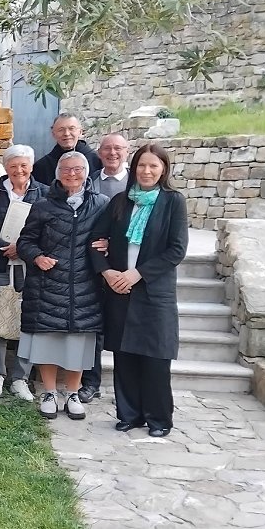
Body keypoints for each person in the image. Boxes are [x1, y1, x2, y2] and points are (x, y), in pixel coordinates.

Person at [90, 145, 188, 438]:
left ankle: (159, 419)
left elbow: (176, 250)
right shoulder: (120, 201)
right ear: (133, 169)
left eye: (153, 166)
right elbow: (95, 240)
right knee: (125, 355)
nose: (147, 171)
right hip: (120, 289)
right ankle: (129, 414)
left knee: (156, 358)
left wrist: (138, 274)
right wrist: (107, 272)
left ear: (163, 170)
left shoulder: (173, 201)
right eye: (142, 166)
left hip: (154, 292)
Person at [16, 152, 109, 420]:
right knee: (47, 340)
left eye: (78, 169)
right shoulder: (43, 205)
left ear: (87, 172)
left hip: (84, 285)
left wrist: (110, 244)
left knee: (78, 343)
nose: (72, 174)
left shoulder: (101, 204)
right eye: (66, 169)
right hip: (48, 284)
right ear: (57, 173)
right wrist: (37, 257)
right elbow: (25, 241)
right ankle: (48, 393)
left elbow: (112, 235)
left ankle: (72, 393)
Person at [0, 144, 49, 401]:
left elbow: (50, 231)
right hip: (0, 265)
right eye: (13, 165)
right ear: (6, 167)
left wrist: (23, 249)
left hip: (31, 268)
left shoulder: (45, 193)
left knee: (28, 321)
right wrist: (3, 247)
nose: (19, 170)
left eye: (24, 165)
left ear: (31, 166)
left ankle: (21, 378)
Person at [80, 133, 131, 403]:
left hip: (128, 269)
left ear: (127, 151)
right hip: (94, 265)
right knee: (94, 327)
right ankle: (91, 383)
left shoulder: (137, 183)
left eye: (118, 148)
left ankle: (128, 388)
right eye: (107, 149)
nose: (112, 153)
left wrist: (114, 243)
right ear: (99, 153)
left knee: (126, 329)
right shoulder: (90, 182)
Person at [31, 114, 102, 186]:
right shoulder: (42, 167)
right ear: (53, 134)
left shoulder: (96, 160)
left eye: (71, 128)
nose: (66, 134)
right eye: (61, 130)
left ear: (80, 132)